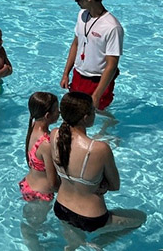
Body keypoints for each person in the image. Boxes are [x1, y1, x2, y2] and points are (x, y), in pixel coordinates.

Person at [50, 92, 146, 234]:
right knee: (140, 218)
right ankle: (100, 244)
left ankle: (74, 244)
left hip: (61, 208)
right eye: (93, 111)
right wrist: (100, 185)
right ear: (85, 118)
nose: (95, 114)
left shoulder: (54, 135)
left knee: (73, 231)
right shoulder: (100, 149)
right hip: (91, 218)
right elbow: (114, 185)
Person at [60, 0, 122, 110]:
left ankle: (108, 126)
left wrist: (97, 95)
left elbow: (112, 65)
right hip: (78, 75)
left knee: (97, 113)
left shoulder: (112, 27)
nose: (76, 2)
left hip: (97, 80)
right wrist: (66, 73)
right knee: (74, 111)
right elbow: (76, 44)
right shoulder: (82, 15)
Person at [19, 92, 60, 203]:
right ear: (47, 116)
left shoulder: (32, 127)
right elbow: (52, 184)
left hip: (28, 184)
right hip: (41, 194)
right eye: (56, 109)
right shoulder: (46, 143)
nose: (59, 112)